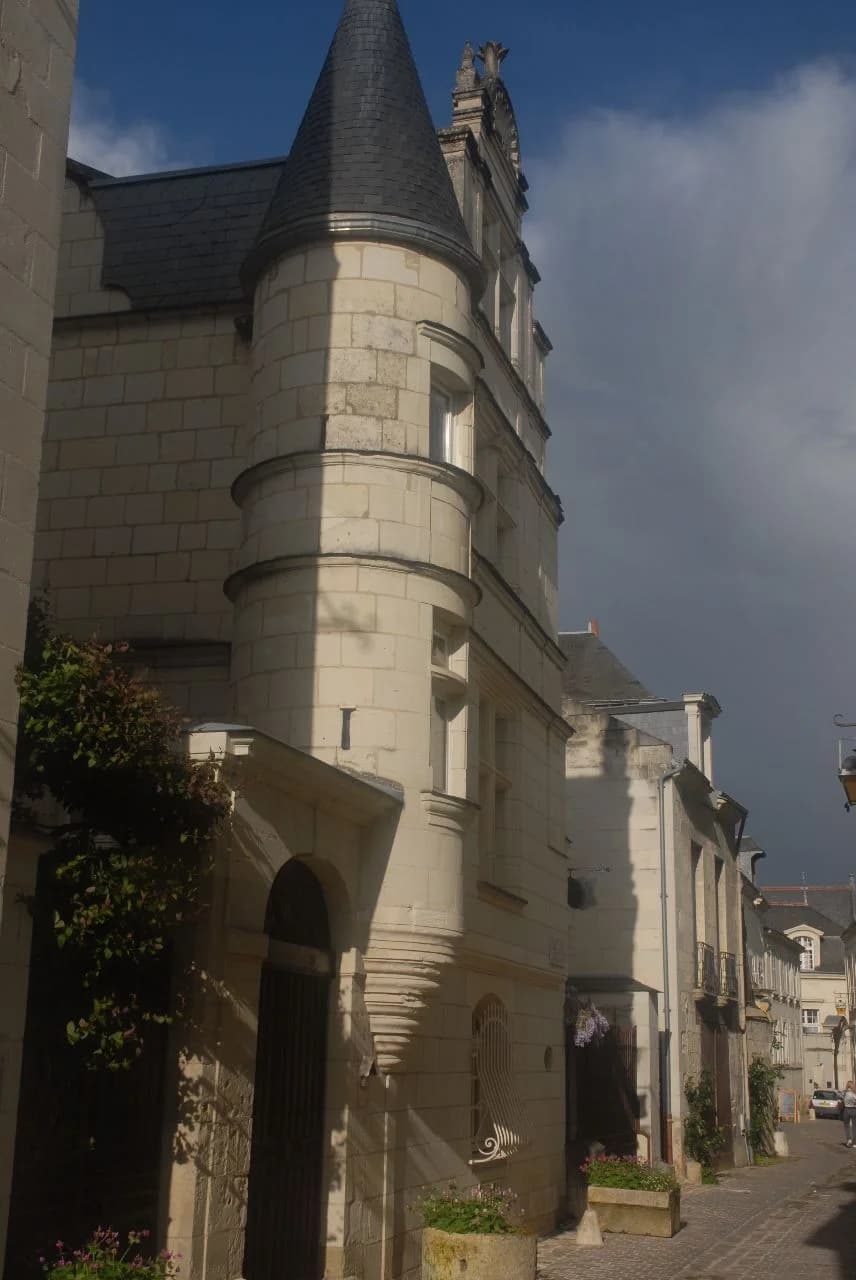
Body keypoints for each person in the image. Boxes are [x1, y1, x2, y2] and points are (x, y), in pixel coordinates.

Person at [841, 1081, 856, 1147]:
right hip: (854, 1109)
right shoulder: (854, 1093)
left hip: (846, 1109)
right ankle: (854, 1142)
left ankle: (849, 1139)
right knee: (854, 1127)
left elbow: (841, 1099)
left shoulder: (844, 1093)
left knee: (846, 1126)